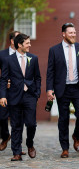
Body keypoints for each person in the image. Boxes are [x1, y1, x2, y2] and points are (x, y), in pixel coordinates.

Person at [46, 23, 79, 158]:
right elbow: (50, 71)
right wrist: (49, 89)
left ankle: (76, 136)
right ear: (63, 34)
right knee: (63, 119)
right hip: (62, 89)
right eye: (71, 33)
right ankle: (65, 148)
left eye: (75, 32)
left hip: (78, 88)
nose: (73, 35)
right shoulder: (54, 50)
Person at [0, 33, 41, 161]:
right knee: (16, 125)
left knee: (31, 124)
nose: (30, 45)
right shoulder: (8, 60)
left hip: (30, 96)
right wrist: (3, 96)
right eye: (27, 43)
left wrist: (37, 93)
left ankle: (30, 144)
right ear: (19, 44)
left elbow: (38, 77)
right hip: (14, 96)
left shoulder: (33, 58)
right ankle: (16, 153)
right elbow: (3, 79)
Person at [0, 31, 20, 152]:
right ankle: (5, 135)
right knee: (2, 116)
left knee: (17, 119)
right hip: (4, 90)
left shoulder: (23, 53)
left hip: (18, 91)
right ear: (12, 41)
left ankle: (18, 146)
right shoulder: (2, 55)